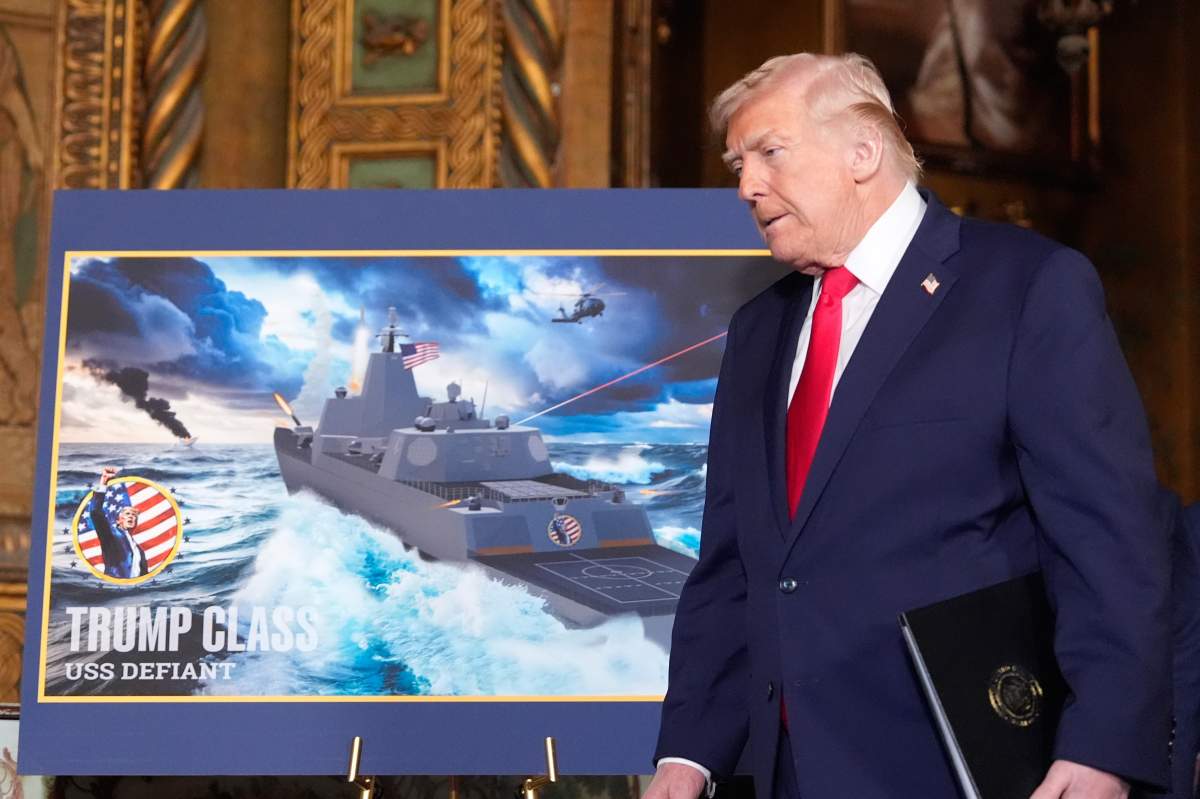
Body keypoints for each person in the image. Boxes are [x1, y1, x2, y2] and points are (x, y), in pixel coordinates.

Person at [646, 52, 1171, 799]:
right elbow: (735, 565)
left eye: (769, 153)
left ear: (863, 150)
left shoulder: (1025, 288)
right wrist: (688, 752)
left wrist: (1103, 749)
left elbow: (1109, 540)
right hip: (779, 775)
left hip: (963, 768)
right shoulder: (759, 331)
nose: (746, 186)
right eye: (737, 163)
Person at [85, 467, 148, 579]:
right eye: (128, 514)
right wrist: (103, 483)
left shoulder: (139, 550)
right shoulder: (111, 535)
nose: (131, 517)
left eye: (134, 515)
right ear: (118, 520)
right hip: (114, 587)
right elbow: (95, 512)